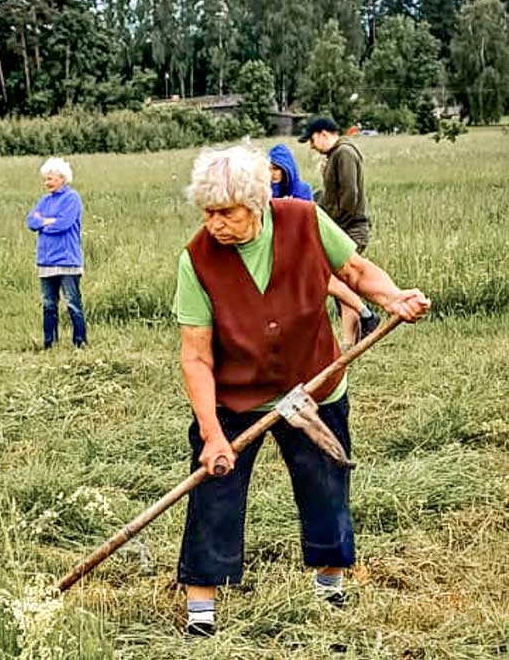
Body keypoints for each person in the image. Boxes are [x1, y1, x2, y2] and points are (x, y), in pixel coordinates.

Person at [173, 145, 430, 637]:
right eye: (207, 213)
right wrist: (211, 433)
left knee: (325, 486)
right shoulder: (197, 261)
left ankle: (330, 588)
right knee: (214, 492)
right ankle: (201, 615)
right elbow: (197, 356)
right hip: (236, 395)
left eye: (225, 213)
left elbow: (355, 272)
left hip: (314, 383)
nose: (214, 224)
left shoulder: (306, 221)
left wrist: (393, 296)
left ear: (257, 203)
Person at [269, 142, 379, 346]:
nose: (272, 173)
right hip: (280, 251)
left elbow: (307, 219)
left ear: (287, 169)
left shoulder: (301, 190)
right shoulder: (267, 193)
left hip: (301, 247)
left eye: (277, 168)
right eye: (270, 168)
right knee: (322, 286)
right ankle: (362, 320)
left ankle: (364, 318)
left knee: (329, 281)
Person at [298, 116, 375, 347]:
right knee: (342, 284)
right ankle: (356, 334)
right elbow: (333, 194)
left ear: (323, 134)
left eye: (312, 140)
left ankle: (356, 333)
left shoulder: (344, 153)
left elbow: (349, 194)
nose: (311, 146)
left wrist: (333, 225)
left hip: (350, 228)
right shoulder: (335, 155)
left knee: (342, 282)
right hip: (343, 227)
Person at [26, 157, 87, 349]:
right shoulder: (44, 200)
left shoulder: (72, 198)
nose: (47, 183)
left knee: (72, 303)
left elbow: (64, 223)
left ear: (62, 178)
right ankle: (49, 343)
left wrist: (44, 222)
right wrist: (47, 221)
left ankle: (80, 342)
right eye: (46, 179)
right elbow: (31, 222)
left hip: (67, 260)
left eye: (51, 179)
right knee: (48, 304)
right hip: (46, 260)